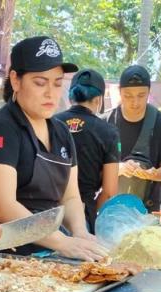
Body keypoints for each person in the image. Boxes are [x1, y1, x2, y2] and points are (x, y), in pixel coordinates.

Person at [0, 36, 107, 263]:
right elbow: (2, 207)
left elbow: (70, 196)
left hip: (47, 256)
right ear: (16, 81)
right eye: (40, 83)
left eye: (58, 83)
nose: (51, 92)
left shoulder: (61, 132)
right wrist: (63, 242)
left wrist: (80, 233)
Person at [105, 65, 161, 212]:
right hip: (109, 206)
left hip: (148, 207)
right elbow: (94, 169)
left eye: (141, 95)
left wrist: (152, 173)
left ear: (149, 92)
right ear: (119, 92)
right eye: (128, 96)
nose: (135, 102)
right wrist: (118, 168)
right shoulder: (106, 122)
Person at [54, 69, 120, 230]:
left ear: (71, 97)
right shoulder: (108, 132)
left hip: (46, 214)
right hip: (81, 215)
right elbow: (109, 191)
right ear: (98, 100)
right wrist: (91, 211)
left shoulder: (51, 123)